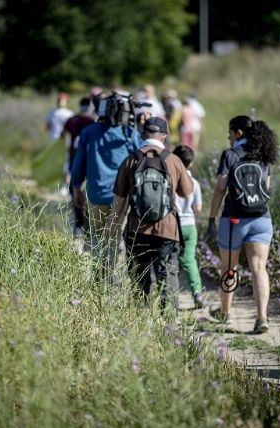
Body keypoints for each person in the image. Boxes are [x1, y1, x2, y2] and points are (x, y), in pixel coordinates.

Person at [112, 117, 193, 318]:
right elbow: (187, 191)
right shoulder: (173, 160)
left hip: (136, 228)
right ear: (164, 136)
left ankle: (141, 322)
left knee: (139, 277)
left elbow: (119, 200)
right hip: (168, 229)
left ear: (142, 133)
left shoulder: (130, 160)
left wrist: (113, 228)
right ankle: (169, 326)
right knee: (167, 276)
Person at [205, 116, 278, 333]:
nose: (228, 137)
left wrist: (211, 218)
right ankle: (262, 317)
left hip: (234, 219)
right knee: (259, 268)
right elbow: (266, 188)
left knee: (229, 268)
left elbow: (220, 188)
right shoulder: (263, 155)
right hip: (261, 219)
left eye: (230, 133)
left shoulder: (230, 155)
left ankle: (225, 314)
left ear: (237, 133)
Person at [70, 92, 143, 281]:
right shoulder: (129, 134)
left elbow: (78, 165)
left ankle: (98, 275)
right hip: (121, 197)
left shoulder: (88, 132)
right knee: (113, 235)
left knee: (95, 234)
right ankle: (108, 276)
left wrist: (76, 189)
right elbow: (142, 160)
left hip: (95, 194)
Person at [172, 145, 206, 308]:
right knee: (189, 259)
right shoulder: (195, 183)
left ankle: (170, 295)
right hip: (190, 225)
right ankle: (197, 293)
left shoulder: (171, 180)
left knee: (170, 260)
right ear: (190, 163)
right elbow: (198, 208)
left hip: (174, 225)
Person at [62, 96, 96, 236]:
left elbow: (62, 134)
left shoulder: (71, 119)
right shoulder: (91, 122)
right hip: (86, 162)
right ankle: (85, 226)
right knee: (86, 195)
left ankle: (78, 224)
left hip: (72, 158)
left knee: (74, 191)